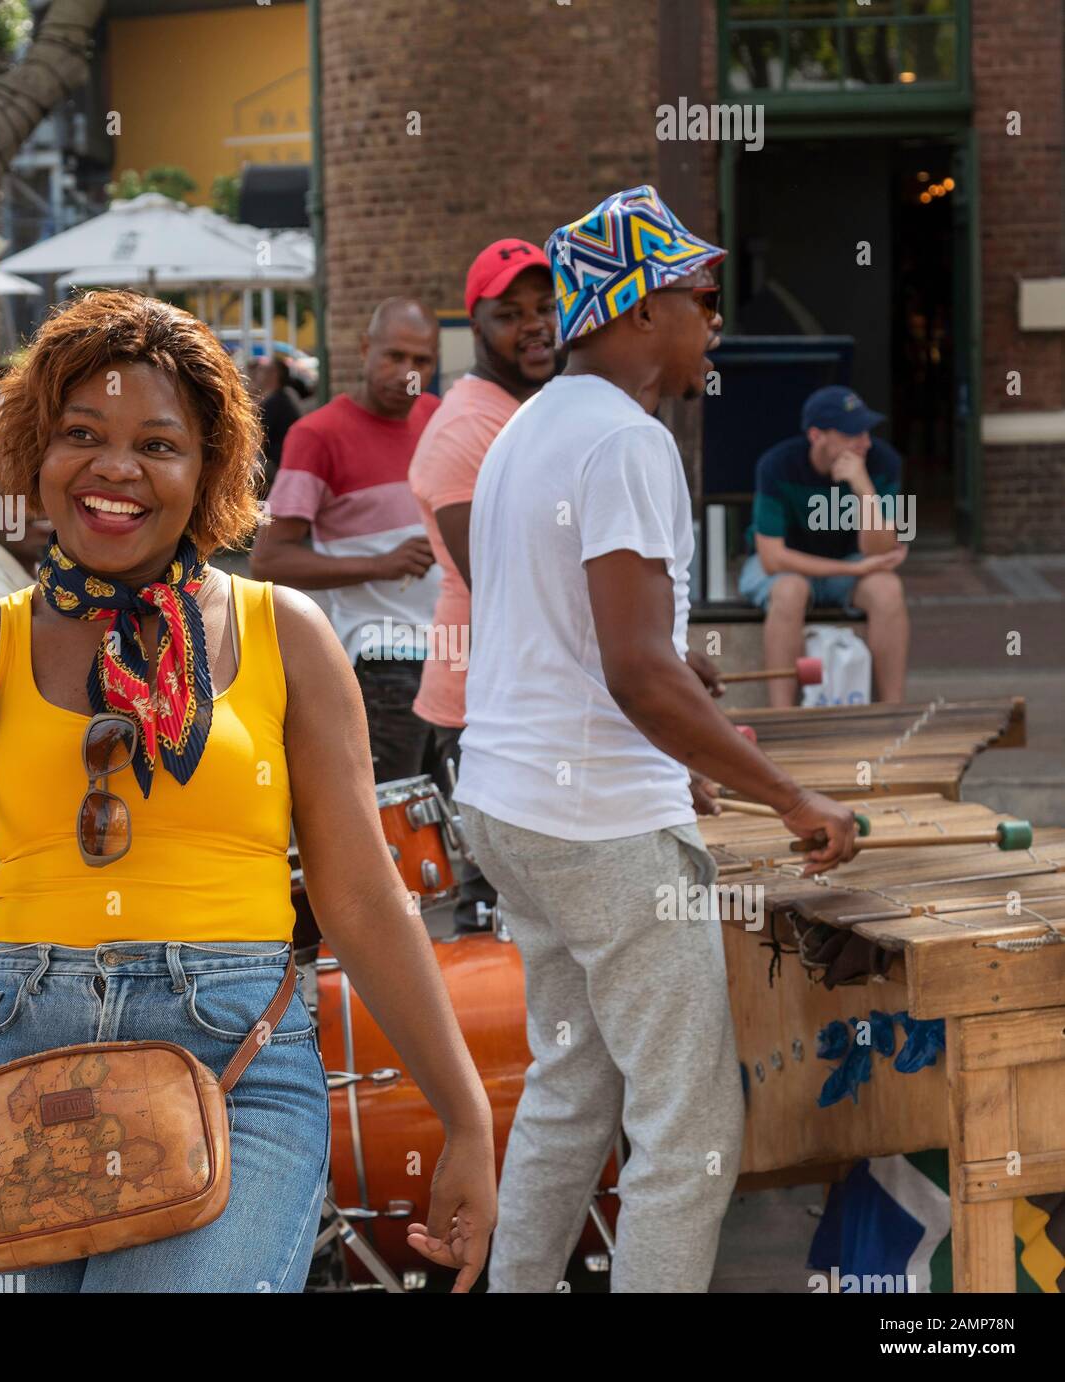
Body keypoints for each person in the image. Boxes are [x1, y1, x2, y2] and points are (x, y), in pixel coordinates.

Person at [0, 253, 495, 1293]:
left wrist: (467, 1115)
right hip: (19, 1055)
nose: (114, 467)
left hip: (236, 1066)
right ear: (35, 452)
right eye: (81, 433)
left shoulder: (284, 633)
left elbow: (359, 895)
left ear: (208, 468)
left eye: (157, 444)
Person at [452, 186, 858, 1294]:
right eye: (700, 299)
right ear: (635, 310)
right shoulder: (627, 442)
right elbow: (633, 668)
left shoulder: (526, 430)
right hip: (596, 832)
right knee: (690, 1132)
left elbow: (575, 636)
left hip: (509, 800)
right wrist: (792, 797)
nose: (713, 324)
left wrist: (679, 696)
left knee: (572, 1086)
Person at [408, 238, 558, 932]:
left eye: (545, 306)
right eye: (510, 313)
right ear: (476, 327)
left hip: (524, 695)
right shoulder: (468, 427)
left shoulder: (529, 409)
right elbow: (502, 584)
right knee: (502, 909)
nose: (534, 324)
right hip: (481, 706)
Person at [250, 298, 443, 783]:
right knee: (391, 820)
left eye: (422, 360)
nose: (407, 373)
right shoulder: (318, 434)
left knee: (449, 826)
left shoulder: (437, 417)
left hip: (455, 652)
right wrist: (381, 563)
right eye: (394, 356)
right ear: (364, 349)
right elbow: (270, 559)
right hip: (383, 658)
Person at [738, 385, 909, 705]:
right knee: (790, 591)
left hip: (849, 565)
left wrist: (864, 489)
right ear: (817, 436)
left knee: (888, 589)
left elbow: (881, 551)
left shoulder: (884, 462)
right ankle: (784, 716)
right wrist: (852, 568)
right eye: (852, 434)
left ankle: (892, 711)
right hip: (783, 568)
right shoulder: (777, 464)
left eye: (867, 431)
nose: (865, 442)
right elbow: (772, 559)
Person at [248, 354, 301, 496]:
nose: (256, 373)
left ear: (274, 374)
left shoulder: (278, 403)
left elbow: (258, 440)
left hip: (277, 469)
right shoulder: (276, 399)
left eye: (262, 369)